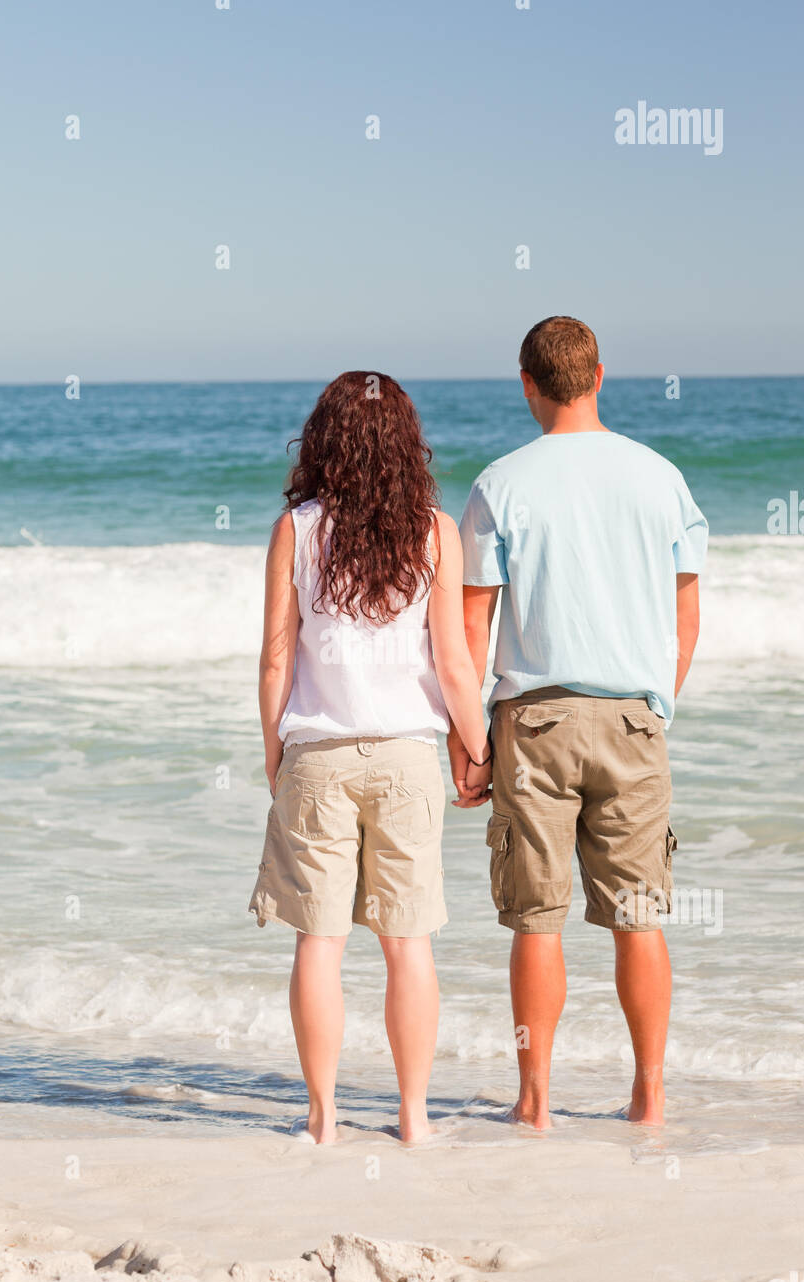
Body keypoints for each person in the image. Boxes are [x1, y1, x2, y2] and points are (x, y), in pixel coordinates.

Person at [453, 316, 708, 1129]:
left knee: (537, 920)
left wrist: (468, 740)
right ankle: (650, 1096)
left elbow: (471, 629)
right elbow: (685, 617)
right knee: (639, 918)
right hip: (633, 719)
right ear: (600, 375)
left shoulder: (501, 483)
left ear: (527, 384)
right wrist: (654, 705)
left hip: (534, 721)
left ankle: (534, 1103)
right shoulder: (660, 477)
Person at [249, 371, 490, 1145]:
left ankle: (322, 1119)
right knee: (407, 943)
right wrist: (477, 751)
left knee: (319, 942)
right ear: (404, 442)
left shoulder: (298, 530)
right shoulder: (435, 529)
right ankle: (413, 1117)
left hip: (317, 753)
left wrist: (272, 749)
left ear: (325, 438)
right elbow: (454, 663)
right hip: (409, 758)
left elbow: (275, 661)